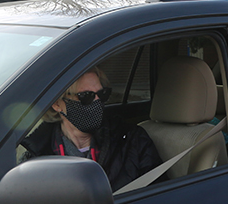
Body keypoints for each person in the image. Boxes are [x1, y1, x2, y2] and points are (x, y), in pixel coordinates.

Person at [19, 67, 163, 192]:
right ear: (57, 104)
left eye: (102, 94)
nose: (96, 102)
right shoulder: (36, 158)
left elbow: (160, 197)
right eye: (86, 96)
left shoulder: (132, 140)